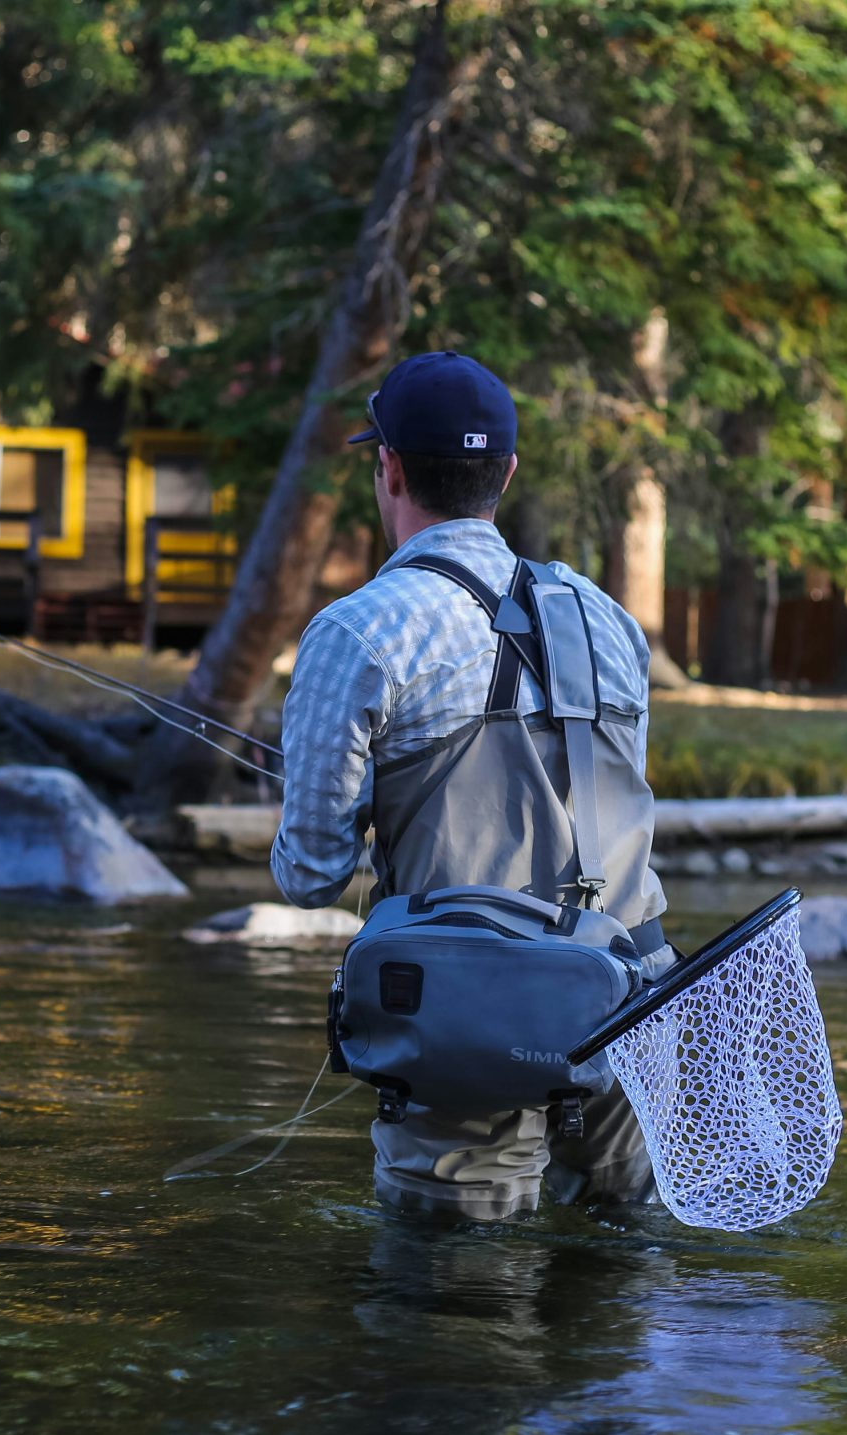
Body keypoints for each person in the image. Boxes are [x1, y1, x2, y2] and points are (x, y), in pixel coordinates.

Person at [272, 351, 671, 1223]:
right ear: (508, 473)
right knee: (616, 1300)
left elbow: (310, 874)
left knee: (452, 1314)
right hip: (635, 1008)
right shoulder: (611, 620)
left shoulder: (359, 632)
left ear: (390, 468)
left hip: (470, 1028)